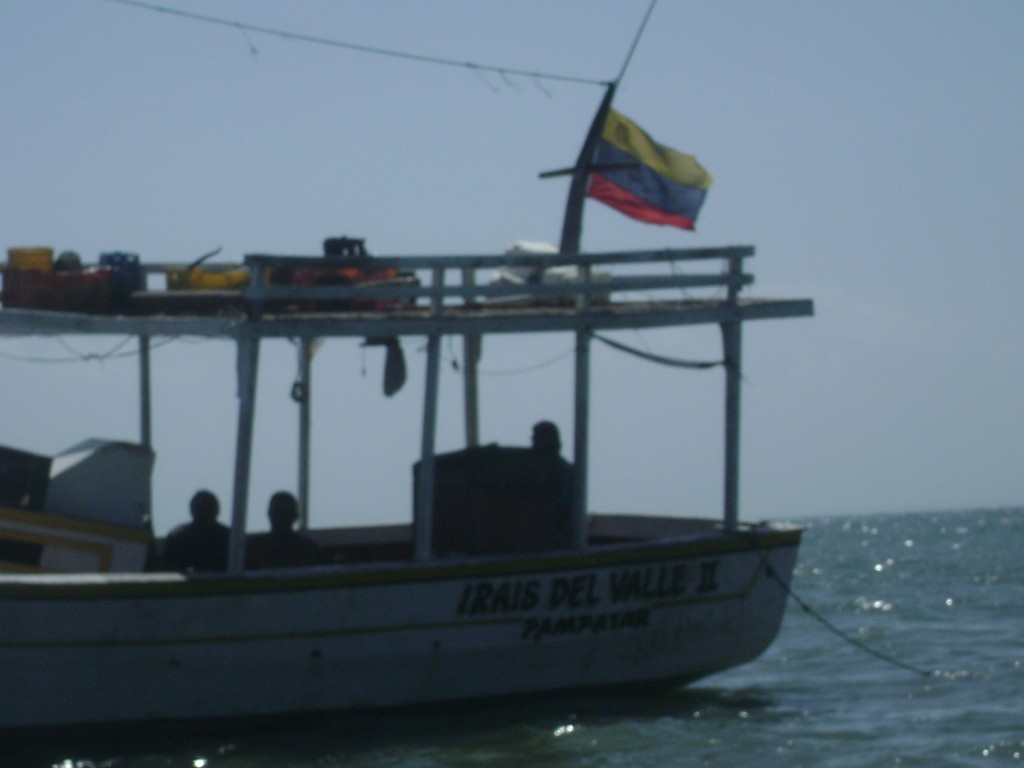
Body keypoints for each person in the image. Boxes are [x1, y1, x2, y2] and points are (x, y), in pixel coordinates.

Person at [245, 491, 322, 569]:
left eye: (284, 514)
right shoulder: (308, 549)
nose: (281, 519)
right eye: (279, 513)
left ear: (269, 514)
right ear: (296, 516)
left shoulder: (253, 548)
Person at [162, 490, 229, 572]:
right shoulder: (178, 537)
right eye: (200, 508)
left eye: (208, 508)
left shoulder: (229, 538)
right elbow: (170, 570)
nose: (204, 512)